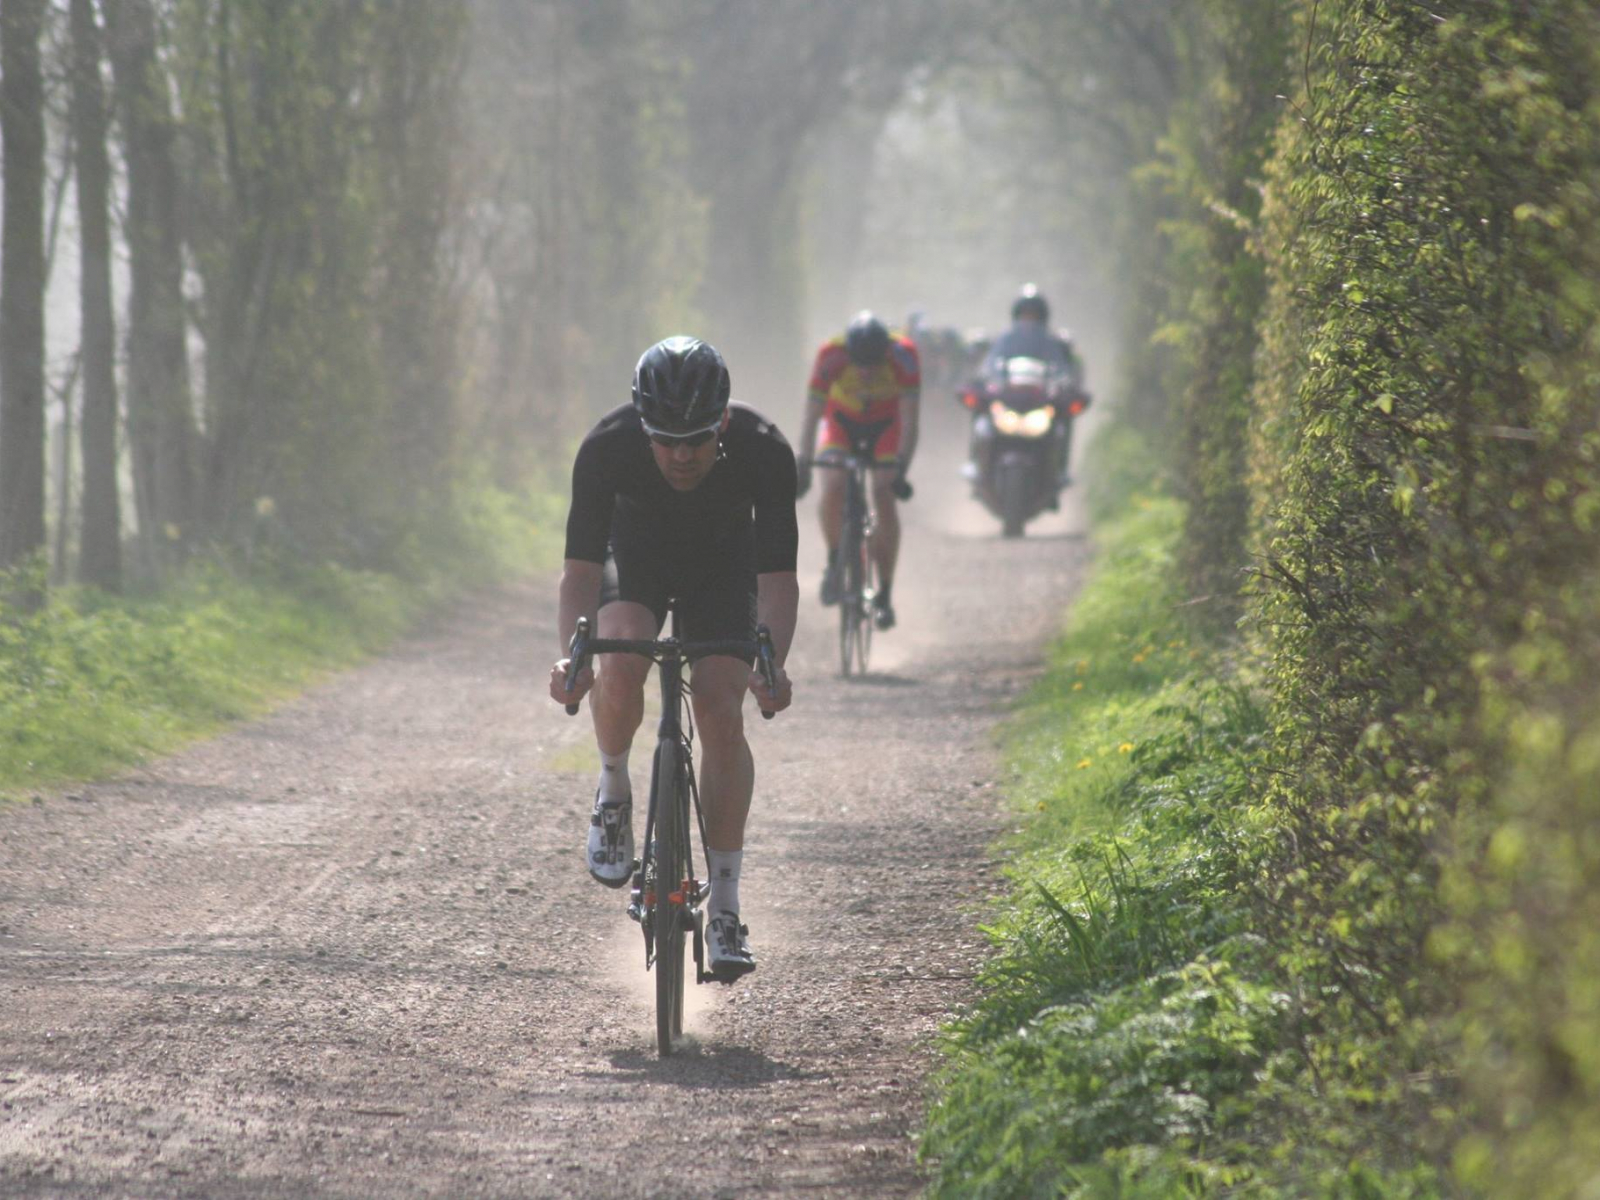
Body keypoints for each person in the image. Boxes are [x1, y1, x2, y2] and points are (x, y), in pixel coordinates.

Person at [549, 336, 798, 978]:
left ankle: (726, 908)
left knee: (720, 710)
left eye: (696, 439)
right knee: (622, 656)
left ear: (722, 423)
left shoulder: (765, 449)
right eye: (665, 439)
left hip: (724, 571)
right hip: (635, 561)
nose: (682, 455)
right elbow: (579, 573)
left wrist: (772, 665)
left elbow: (777, 581)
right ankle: (612, 789)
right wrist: (574, 658)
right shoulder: (607, 447)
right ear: (641, 424)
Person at [794, 311, 919, 631]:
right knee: (833, 483)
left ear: (885, 354)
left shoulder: (904, 355)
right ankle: (836, 559)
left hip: (886, 425)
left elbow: (910, 419)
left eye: (873, 365)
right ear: (848, 353)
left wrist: (902, 467)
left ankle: (885, 593)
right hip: (842, 423)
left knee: (883, 492)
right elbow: (812, 414)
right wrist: (804, 461)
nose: (865, 372)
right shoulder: (830, 355)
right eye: (859, 364)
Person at [963, 283, 1087, 489]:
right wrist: (983, 378)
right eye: (1025, 313)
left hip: (1040, 400)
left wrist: (1066, 386)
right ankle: (974, 462)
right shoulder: (1004, 339)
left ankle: (1060, 469)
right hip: (1008, 396)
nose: (1028, 318)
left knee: (1062, 423)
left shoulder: (1054, 343)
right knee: (981, 411)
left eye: (1033, 314)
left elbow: (1067, 370)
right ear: (1016, 315)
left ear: (1042, 316)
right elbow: (990, 364)